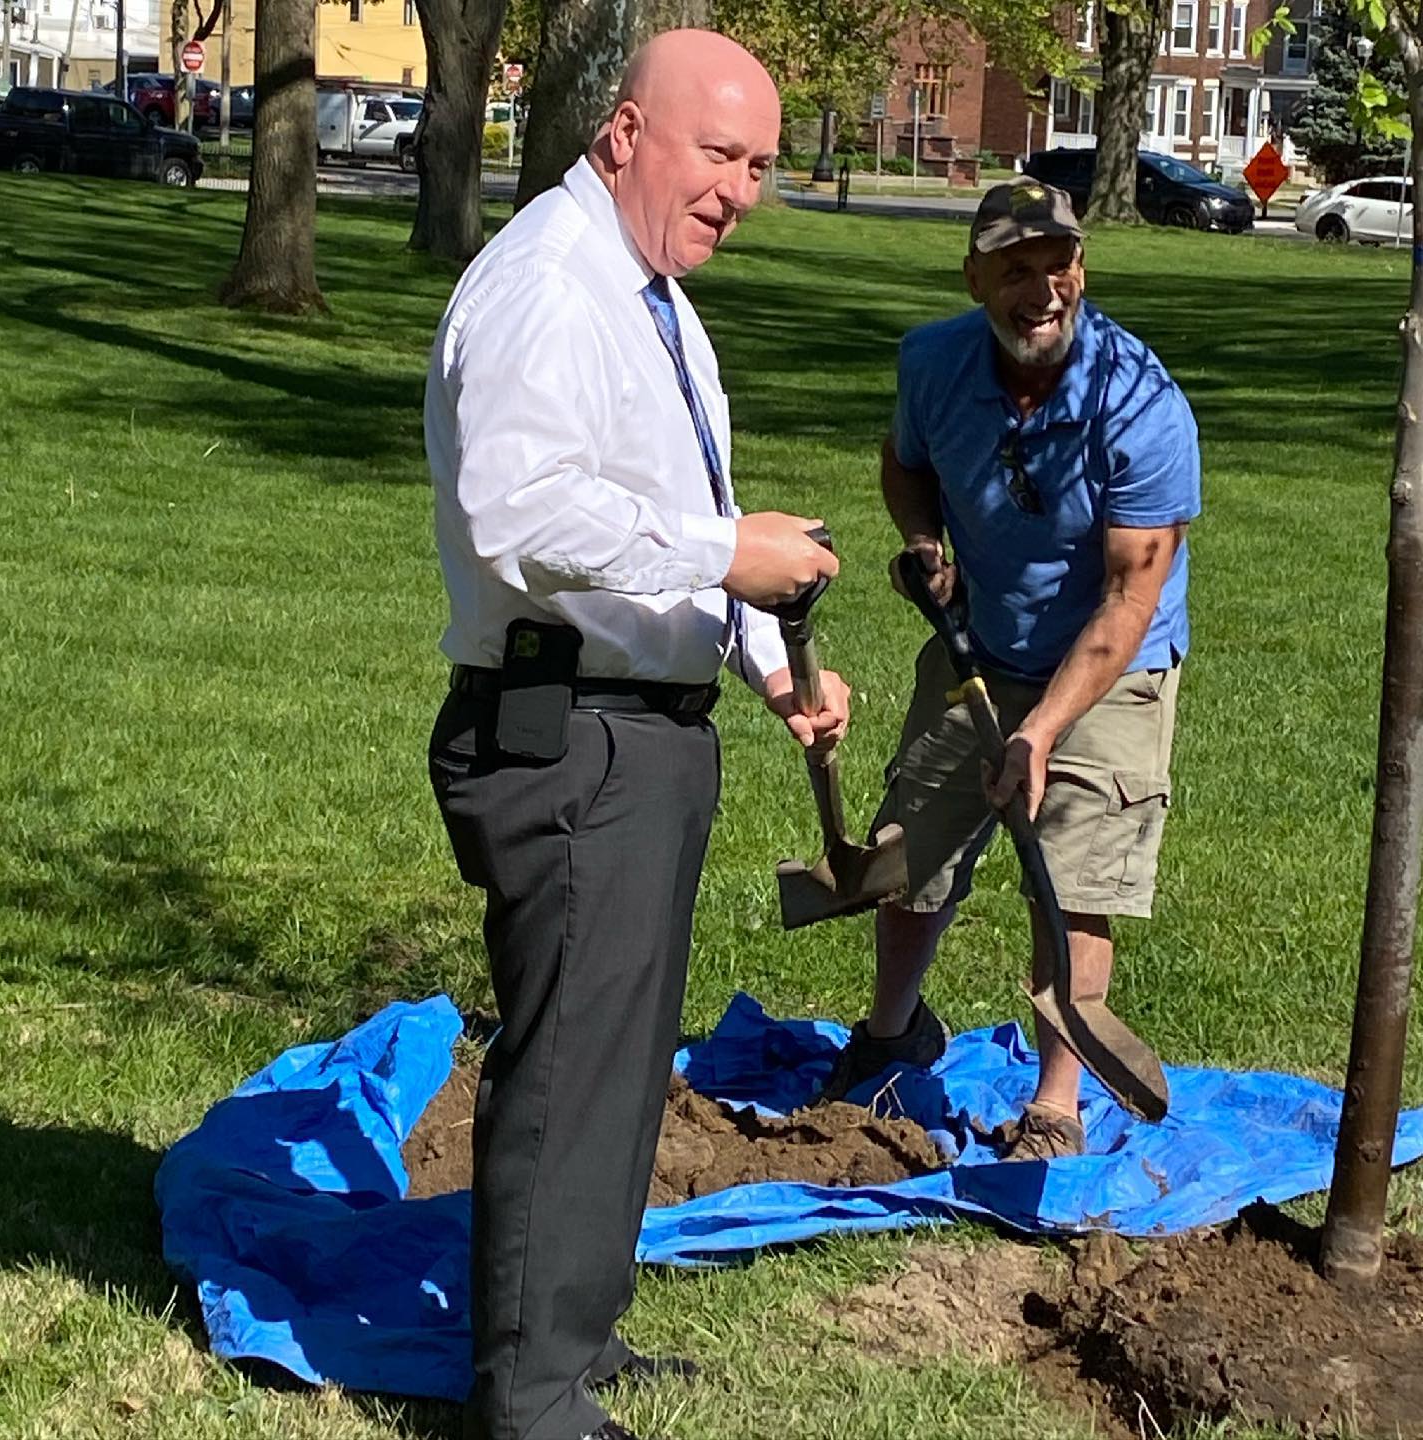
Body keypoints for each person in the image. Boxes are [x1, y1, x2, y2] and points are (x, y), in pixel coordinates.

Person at [424, 30, 848, 1440]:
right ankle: (530, 1397)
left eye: (760, 167)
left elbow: (667, 508)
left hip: (637, 726)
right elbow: (519, 511)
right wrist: (729, 556)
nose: (740, 190)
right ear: (622, 133)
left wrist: (769, 658)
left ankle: (573, 1339)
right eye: (717, 153)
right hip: (568, 733)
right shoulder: (551, 283)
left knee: (619, 1061)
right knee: (572, 1065)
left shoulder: (648, 291)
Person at [816, 179, 1200, 1162]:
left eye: (1059, 265)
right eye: (1016, 269)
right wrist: (922, 541)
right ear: (975, 278)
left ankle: (1056, 1106)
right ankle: (891, 1037)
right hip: (980, 645)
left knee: (1069, 880)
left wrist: (1041, 732)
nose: (1043, 290)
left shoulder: (1142, 403)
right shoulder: (933, 362)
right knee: (911, 856)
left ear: (1083, 269)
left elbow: (1131, 597)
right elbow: (906, 463)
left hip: (1110, 665)